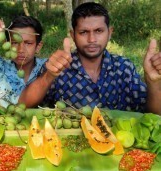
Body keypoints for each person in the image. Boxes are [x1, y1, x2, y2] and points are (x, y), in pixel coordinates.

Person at [19, 2, 161, 115]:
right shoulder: (57, 67)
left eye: (98, 31)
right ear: (73, 35)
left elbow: (153, 114)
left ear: (109, 33)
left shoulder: (124, 68)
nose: (92, 39)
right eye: (83, 32)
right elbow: (22, 105)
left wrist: (153, 82)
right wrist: (48, 76)